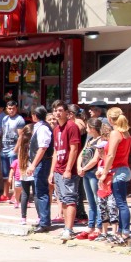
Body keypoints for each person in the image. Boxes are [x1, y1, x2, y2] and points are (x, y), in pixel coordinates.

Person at [97, 107, 131, 246]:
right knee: (121, 203)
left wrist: (105, 172)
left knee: (121, 204)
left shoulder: (115, 133)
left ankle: (124, 235)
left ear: (110, 119)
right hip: (125, 169)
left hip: (117, 171)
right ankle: (123, 233)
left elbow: (111, 155)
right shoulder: (126, 133)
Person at [49, 100, 81, 241]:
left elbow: (74, 149)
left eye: (60, 110)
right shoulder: (56, 129)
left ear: (67, 113)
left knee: (70, 199)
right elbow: (56, 151)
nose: (57, 113)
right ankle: (66, 228)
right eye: (55, 110)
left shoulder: (71, 127)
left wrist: (68, 169)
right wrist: (52, 172)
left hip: (69, 170)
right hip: (58, 169)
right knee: (62, 199)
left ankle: (69, 229)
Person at [27, 106, 53, 232]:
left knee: (41, 192)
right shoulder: (39, 127)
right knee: (39, 192)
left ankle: (44, 222)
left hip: (42, 163)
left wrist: (33, 165)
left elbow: (42, 148)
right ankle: (43, 220)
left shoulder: (42, 128)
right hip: (40, 163)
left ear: (35, 116)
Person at [76, 118, 103, 239]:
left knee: (97, 200)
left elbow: (95, 159)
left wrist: (84, 168)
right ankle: (90, 225)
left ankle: (99, 226)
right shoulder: (89, 140)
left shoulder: (100, 140)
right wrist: (79, 166)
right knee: (91, 201)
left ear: (92, 128)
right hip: (86, 173)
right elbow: (82, 153)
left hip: (92, 173)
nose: (86, 129)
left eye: (87, 127)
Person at [0, 101, 26, 203]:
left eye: (13, 108)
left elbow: (21, 136)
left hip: (13, 148)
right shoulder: (5, 119)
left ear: (16, 108)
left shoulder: (19, 120)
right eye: (9, 108)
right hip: (5, 147)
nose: (11, 110)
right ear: (6, 109)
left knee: (15, 173)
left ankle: (16, 194)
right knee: (5, 173)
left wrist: (15, 150)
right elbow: (3, 132)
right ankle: (5, 194)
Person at [13, 125, 35, 225]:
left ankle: (23, 217)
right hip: (32, 171)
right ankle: (39, 217)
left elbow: (15, 151)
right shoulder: (33, 144)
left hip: (24, 171)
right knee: (35, 194)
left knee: (25, 194)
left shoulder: (22, 144)